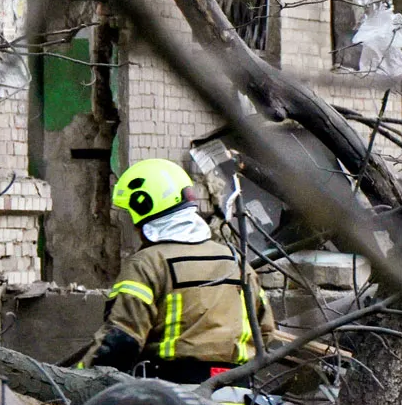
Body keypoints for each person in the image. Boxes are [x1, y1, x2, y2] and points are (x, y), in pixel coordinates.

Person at [85, 158, 273, 384]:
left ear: (142, 207)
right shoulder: (236, 261)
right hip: (239, 399)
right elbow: (266, 331)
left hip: (170, 400)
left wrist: (80, 379)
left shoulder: (147, 263)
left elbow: (122, 341)